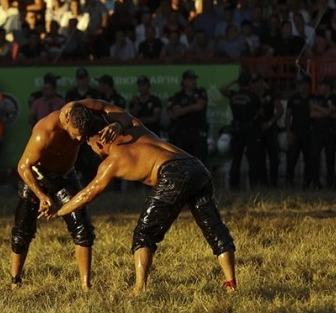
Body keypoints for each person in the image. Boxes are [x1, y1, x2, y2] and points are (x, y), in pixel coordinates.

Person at [49, 101, 237, 294]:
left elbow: (87, 194)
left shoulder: (111, 162)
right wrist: (101, 116)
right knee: (213, 228)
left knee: (144, 235)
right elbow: (107, 108)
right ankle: (231, 284)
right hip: (197, 167)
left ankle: (139, 288)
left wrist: (59, 211)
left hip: (171, 173)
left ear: (97, 143)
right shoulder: (135, 126)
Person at [10, 99, 122, 292]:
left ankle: (86, 286)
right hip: (37, 176)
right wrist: (41, 195)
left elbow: (116, 114)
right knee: (22, 231)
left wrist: (116, 125)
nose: (80, 141)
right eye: (76, 135)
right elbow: (22, 166)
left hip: (66, 176)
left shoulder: (85, 115)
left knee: (83, 229)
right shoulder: (44, 132)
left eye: (83, 137)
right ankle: (15, 281)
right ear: (67, 122)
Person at [219, 73, 262, 191]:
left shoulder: (234, 95)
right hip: (250, 129)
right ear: (249, 83)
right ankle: (253, 185)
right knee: (252, 159)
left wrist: (234, 80)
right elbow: (260, 112)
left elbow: (222, 89)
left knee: (236, 159)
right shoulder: (253, 96)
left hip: (237, 129)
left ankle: (234, 185)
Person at [167, 70, 208, 164]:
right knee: (184, 162)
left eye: (194, 79)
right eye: (190, 79)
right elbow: (176, 113)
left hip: (198, 132)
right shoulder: (178, 96)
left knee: (200, 162)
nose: (193, 81)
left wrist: (184, 109)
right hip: (183, 134)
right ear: (184, 81)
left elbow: (200, 106)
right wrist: (192, 106)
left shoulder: (201, 92)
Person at [253, 74, 283, 188]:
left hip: (270, 128)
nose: (256, 84)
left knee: (273, 156)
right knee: (260, 157)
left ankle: (274, 182)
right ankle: (264, 182)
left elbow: (280, 110)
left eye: (258, 81)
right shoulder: (252, 96)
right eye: (254, 82)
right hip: (257, 128)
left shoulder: (270, 94)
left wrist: (270, 123)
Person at [309, 77, 336, 189]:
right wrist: (326, 112)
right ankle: (315, 182)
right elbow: (313, 114)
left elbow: (333, 113)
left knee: (330, 158)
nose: (319, 87)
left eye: (321, 85)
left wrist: (318, 108)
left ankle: (331, 183)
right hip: (317, 132)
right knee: (314, 156)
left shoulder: (334, 98)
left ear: (327, 87)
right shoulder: (317, 98)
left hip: (330, 132)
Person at [284, 74, 313, 189]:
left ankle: (306, 183)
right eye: (298, 84)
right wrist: (288, 132)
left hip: (308, 132)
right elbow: (287, 116)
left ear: (307, 85)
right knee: (291, 158)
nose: (299, 86)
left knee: (308, 159)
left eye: (301, 84)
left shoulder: (313, 98)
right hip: (295, 132)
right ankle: (288, 182)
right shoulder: (293, 98)